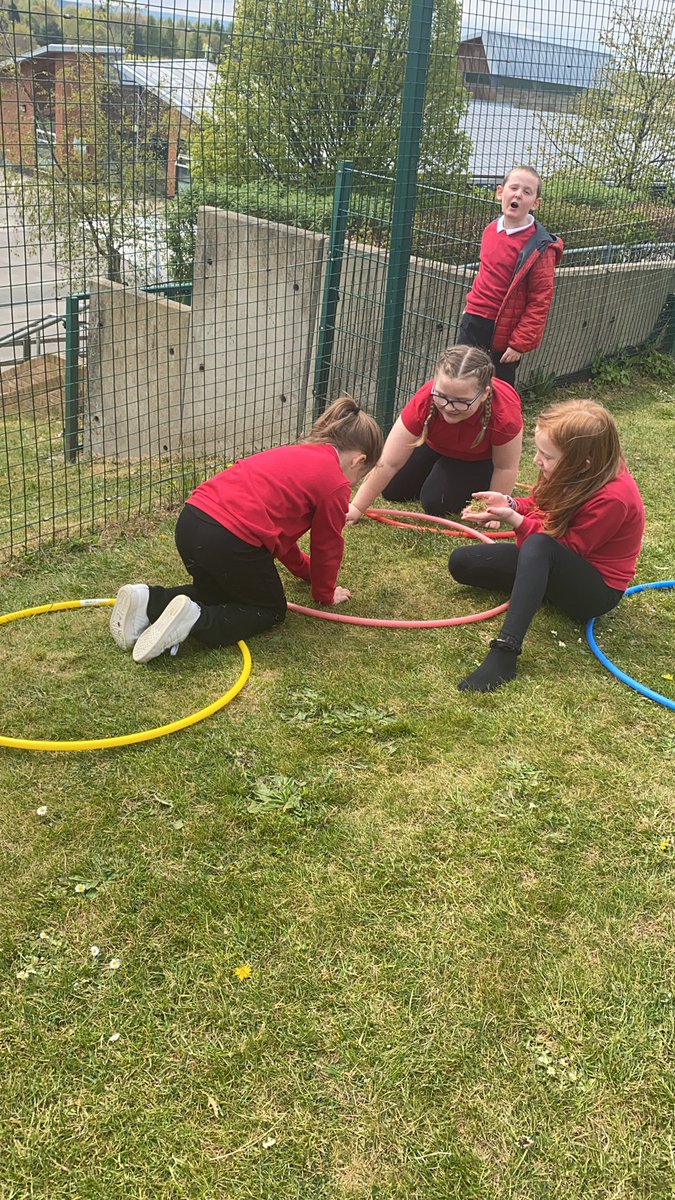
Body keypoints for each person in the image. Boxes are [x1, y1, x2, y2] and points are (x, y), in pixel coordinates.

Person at [109, 397, 383, 663]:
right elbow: (327, 545)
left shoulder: (297, 454)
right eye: (359, 478)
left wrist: (306, 573)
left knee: (222, 594)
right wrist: (325, 592)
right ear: (359, 460)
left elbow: (281, 540)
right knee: (269, 610)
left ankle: (147, 600)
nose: (353, 485)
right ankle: (196, 620)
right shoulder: (334, 482)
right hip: (230, 540)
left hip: (193, 521)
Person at [451, 398, 645, 694]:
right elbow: (542, 505)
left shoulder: (615, 497)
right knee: (464, 562)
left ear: (584, 462)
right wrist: (511, 503)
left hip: (594, 590)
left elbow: (563, 547)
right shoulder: (573, 469)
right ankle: (537, 588)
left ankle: (506, 651)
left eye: (546, 455)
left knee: (540, 545)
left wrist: (515, 520)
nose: (537, 461)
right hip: (551, 556)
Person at [346, 344, 523, 524]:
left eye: (461, 402)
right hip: (435, 446)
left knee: (437, 502)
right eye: (442, 396)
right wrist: (357, 507)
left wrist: (494, 510)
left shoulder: (504, 414)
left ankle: (459, 477)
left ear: (484, 394)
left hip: (478, 459)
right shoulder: (425, 399)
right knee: (393, 490)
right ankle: (437, 469)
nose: (448, 406)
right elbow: (389, 461)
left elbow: (505, 467)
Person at [458, 165, 564, 386]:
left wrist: (519, 343)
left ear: (536, 203)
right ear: (500, 192)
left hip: (504, 334)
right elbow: (486, 273)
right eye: (513, 188)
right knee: (461, 382)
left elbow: (540, 300)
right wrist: (469, 309)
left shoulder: (540, 248)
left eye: (527, 192)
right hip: (473, 321)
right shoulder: (490, 230)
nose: (518, 194)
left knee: (498, 392)